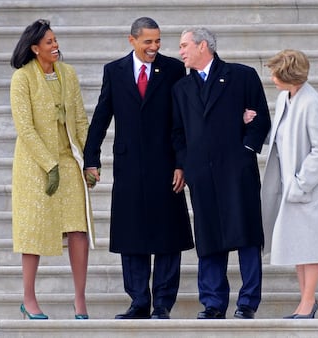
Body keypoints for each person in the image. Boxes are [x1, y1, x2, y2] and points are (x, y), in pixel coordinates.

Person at [83, 17, 194, 320]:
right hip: (129, 165)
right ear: (131, 40)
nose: (154, 47)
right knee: (132, 235)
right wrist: (90, 158)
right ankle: (138, 302)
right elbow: (102, 115)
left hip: (166, 164)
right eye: (148, 42)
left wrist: (182, 163)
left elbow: (181, 119)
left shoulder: (172, 69)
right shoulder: (114, 71)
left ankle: (162, 305)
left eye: (158, 41)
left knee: (168, 237)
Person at [172, 27, 271, 319]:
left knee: (246, 235)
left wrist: (246, 150)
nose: (180, 52)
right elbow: (178, 133)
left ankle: (248, 302)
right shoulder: (181, 88)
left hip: (237, 170)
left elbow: (260, 118)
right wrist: (187, 165)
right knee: (209, 237)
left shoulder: (242, 76)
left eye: (184, 45)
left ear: (203, 46)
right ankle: (213, 303)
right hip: (201, 174)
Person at [10, 19, 94, 320]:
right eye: (49, 42)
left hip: (69, 160)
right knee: (33, 231)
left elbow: (81, 120)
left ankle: (80, 300)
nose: (55, 45)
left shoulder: (68, 74)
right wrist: (49, 165)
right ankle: (29, 299)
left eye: (56, 40)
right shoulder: (22, 79)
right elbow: (25, 128)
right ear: (35, 48)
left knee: (78, 229)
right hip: (35, 164)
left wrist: (89, 159)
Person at [261, 49, 318, 319]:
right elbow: (281, 136)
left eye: (276, 73)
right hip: (291, 188)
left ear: (289, 75)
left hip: (308, 190)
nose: (272, 77)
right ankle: (304, 302)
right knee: (299, 246)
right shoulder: (285, 97)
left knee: (311, 247)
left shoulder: (312, 102)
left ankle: (308, 303)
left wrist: (301, 184)